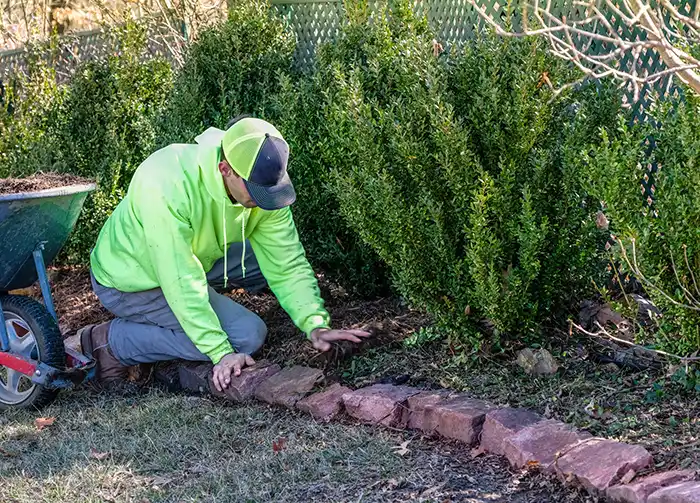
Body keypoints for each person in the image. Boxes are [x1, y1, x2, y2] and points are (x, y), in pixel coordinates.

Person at [80, 115, 369, 392]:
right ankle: (111, 343)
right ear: (224, 169)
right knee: (246, 336)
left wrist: (315, 324)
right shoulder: (166, 183)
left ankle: (193, 315)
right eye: (255, 190)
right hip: (131, 279)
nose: (263, 199)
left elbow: (287, 261)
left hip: (196, 257)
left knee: (261, 259)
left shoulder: (264, 182)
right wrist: (220, 352)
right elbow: (180, 279)